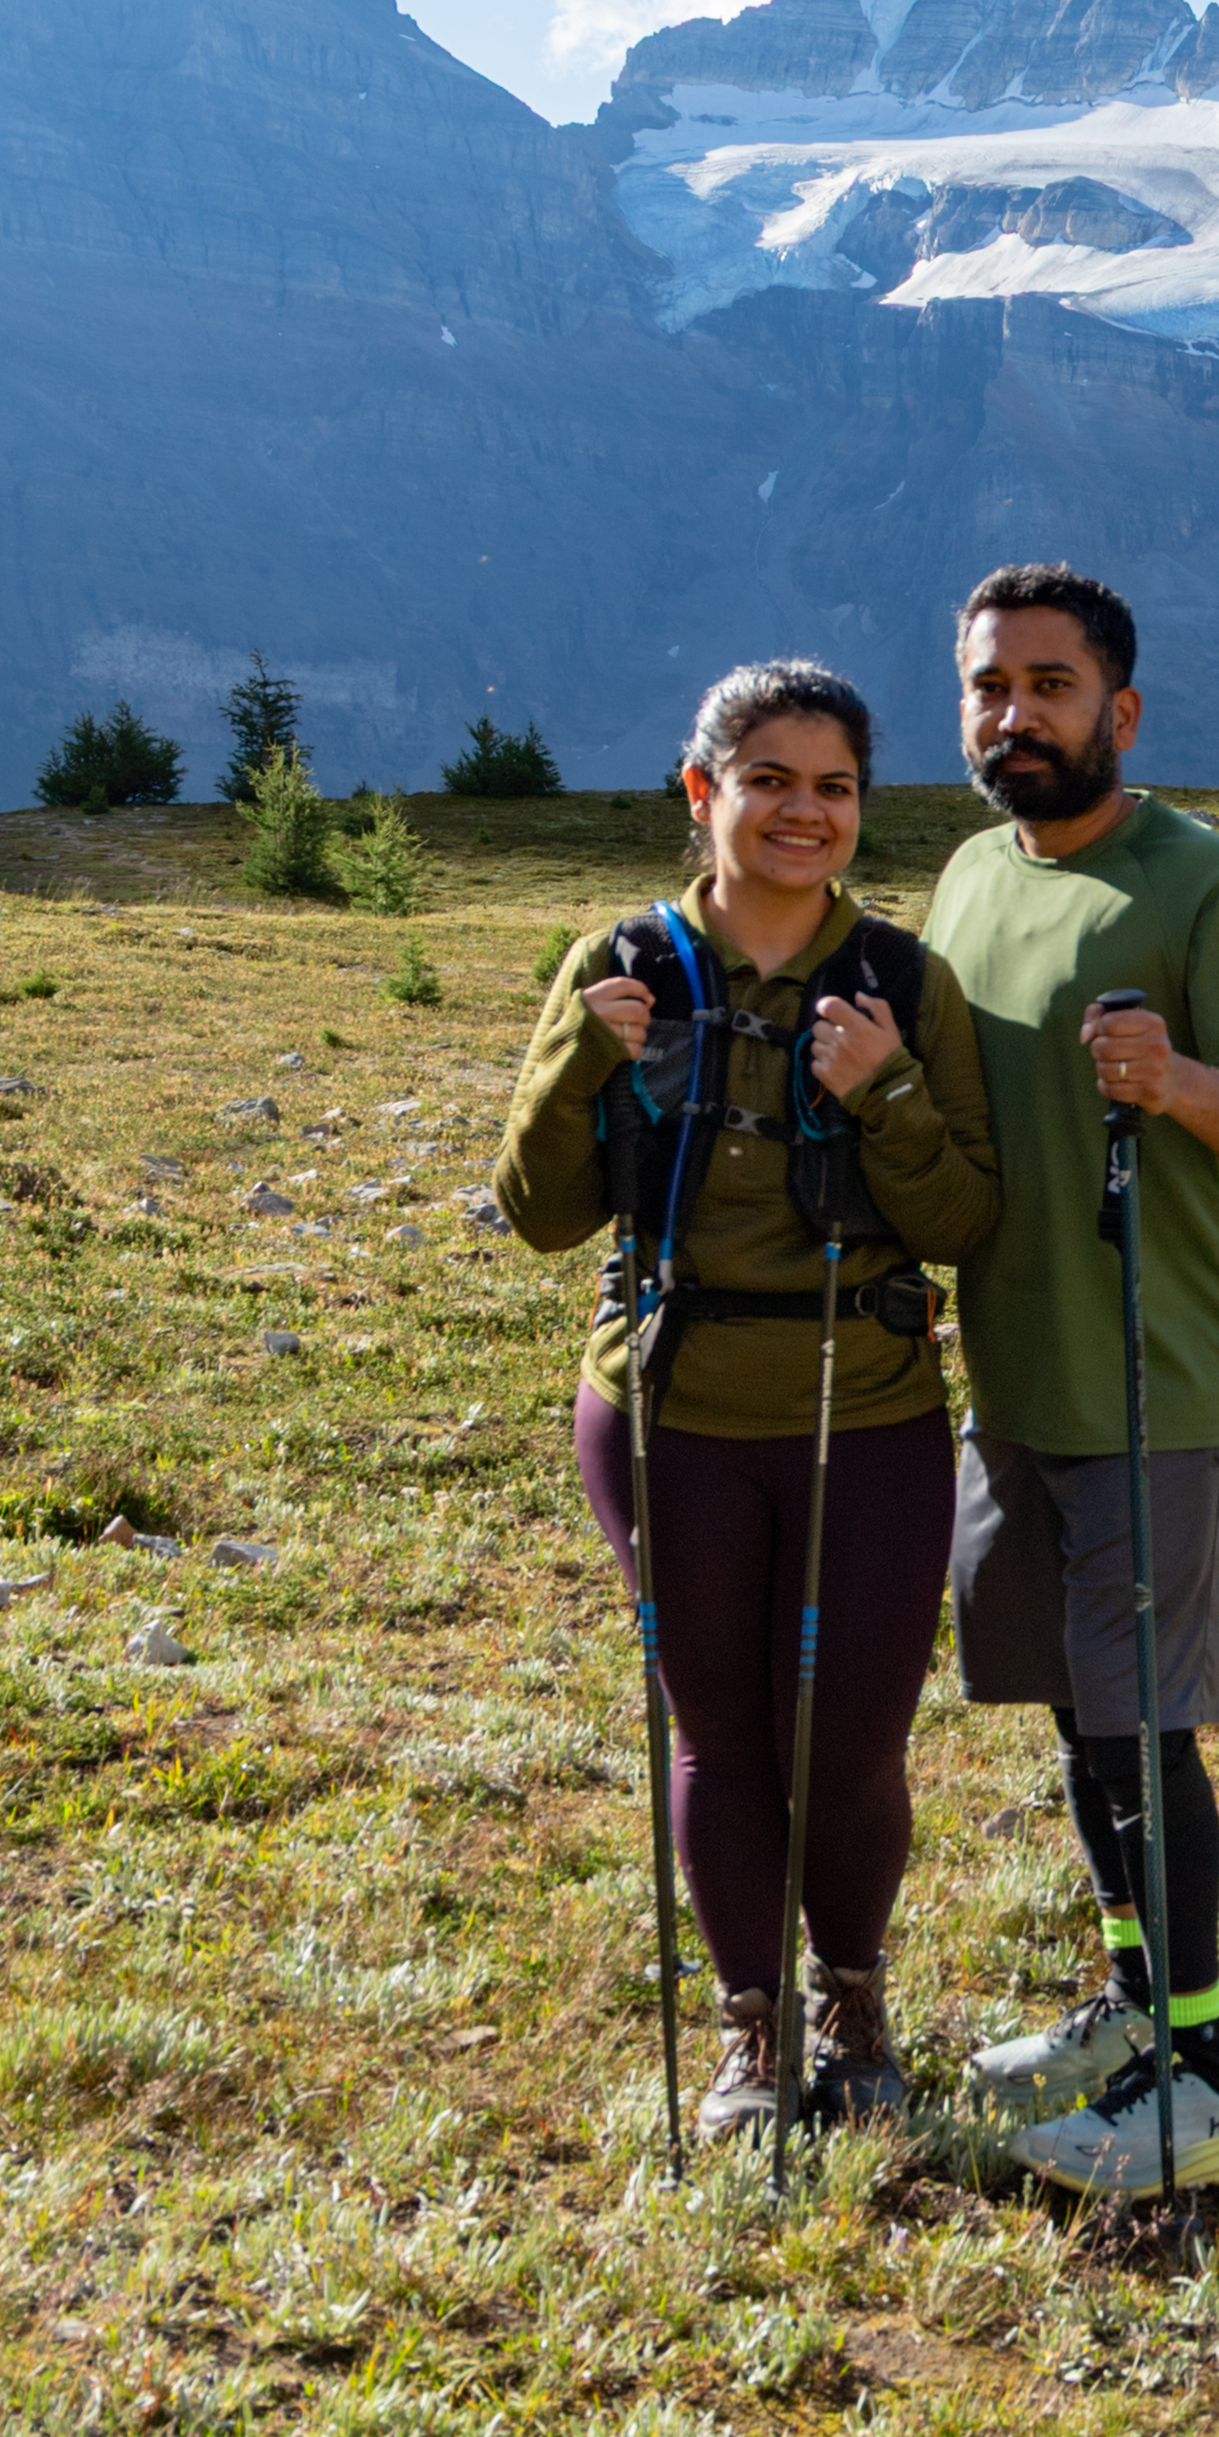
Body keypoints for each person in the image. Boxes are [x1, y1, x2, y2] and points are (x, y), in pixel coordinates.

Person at [494, 661, 999, 2144]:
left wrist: (890, 1094)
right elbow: (535, 1212)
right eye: (769, 780)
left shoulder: (907, 987)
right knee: (719, 1733)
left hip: (873, 1410)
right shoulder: (618, 967)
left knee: (848, 1742)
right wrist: (584, 1056)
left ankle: (851, 1995)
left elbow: (971, 1218)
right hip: (667, 1413)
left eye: (833, 786)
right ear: (702, 791)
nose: (804, 811)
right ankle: (754, 2036)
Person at [927, 563, 1219, 2195]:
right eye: (989, 685)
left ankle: (1209, 2075)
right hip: (1010, 1380)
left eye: (1051, 684)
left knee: (1149, 1734)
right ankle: (1131, 2008)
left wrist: (1177, 1082)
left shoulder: (1203, 885)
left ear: (1123, 710)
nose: (1016, 713)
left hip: (1157, 1386)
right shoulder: (963, 875)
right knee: (1084, 1722)